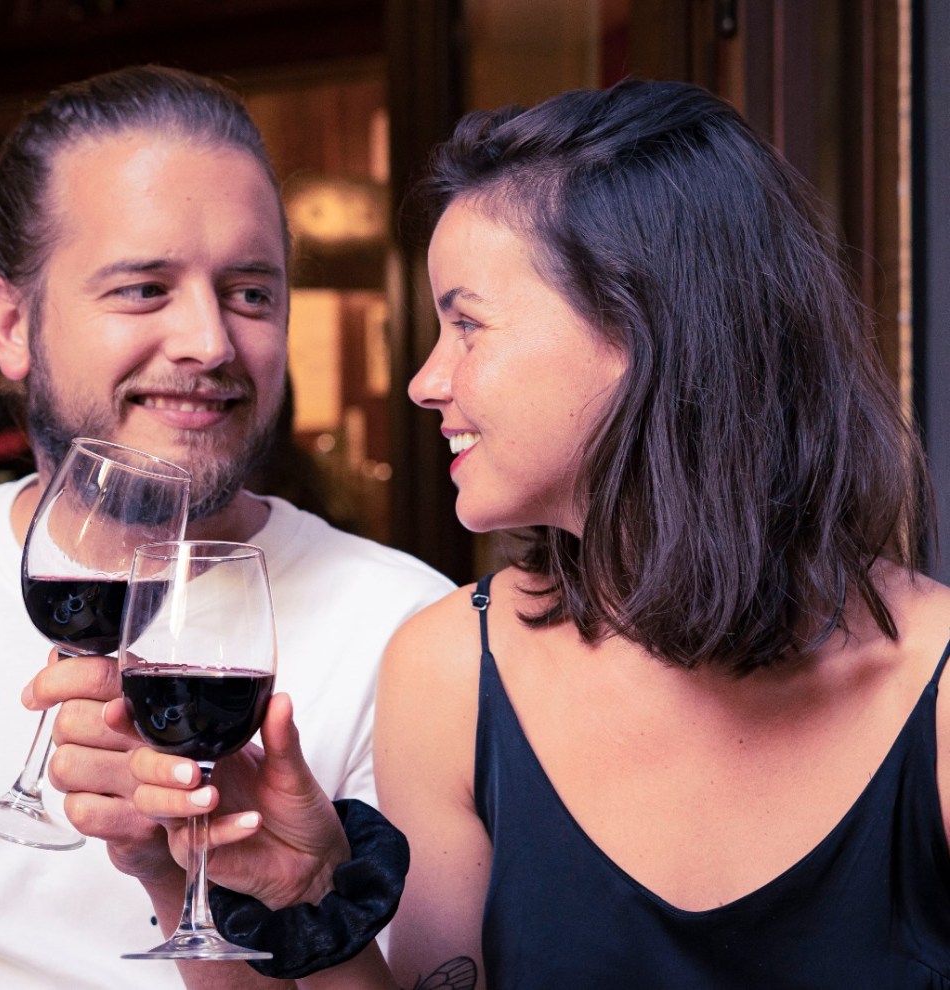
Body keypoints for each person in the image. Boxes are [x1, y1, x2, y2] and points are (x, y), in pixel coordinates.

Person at [123, 78, 950, 987]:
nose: (425, 382)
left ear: (648, 325)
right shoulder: (449, 670)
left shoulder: (936, 685)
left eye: (466, 324)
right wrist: (298, 892)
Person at [0, 65, 453, 990]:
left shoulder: (408, 632)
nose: (211, 342)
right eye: (145, 289)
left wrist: (222, 880)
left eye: (252, 293)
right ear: (11, 324)